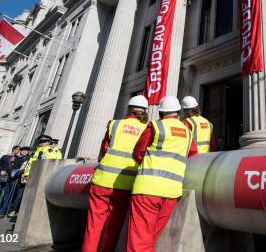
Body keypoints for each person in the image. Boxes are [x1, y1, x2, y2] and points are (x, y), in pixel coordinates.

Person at [127, 96, 197, 251]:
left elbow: (138, 153)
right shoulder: (187, 131)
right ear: (178, 113)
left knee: (140, 239)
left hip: (147, 190)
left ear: (160, 113)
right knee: (150, 237)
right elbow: (192, 153)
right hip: (172, 192)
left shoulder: (155, 127)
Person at [82, 95, 150, 252]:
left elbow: (104, 149)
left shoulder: (115, 124)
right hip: (126, 184)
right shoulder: (145, 129)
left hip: (102, 180)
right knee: (113, 226)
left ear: (129, 109)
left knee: (93, 225)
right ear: (144, 111)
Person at [0, 146, 20, 218]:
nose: (19, 151)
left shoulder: (18, 158)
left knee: (6, 194)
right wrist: (1, 170)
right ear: (14, 150)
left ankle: (2, 210)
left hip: (10, 178)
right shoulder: (5, 157)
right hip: (2, 177)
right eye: (18, 150)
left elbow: (17, 168)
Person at [8, 146, 31, 218]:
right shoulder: (19, 158)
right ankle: (14, 209)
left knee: (20, 195)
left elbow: (23, 168)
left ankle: (15, 210)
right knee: (17, 195)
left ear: (28, 152)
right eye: (22, 150)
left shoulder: (29, 158)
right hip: (17, 178)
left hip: (25, 178)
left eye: (25, 151)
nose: (23, 152)